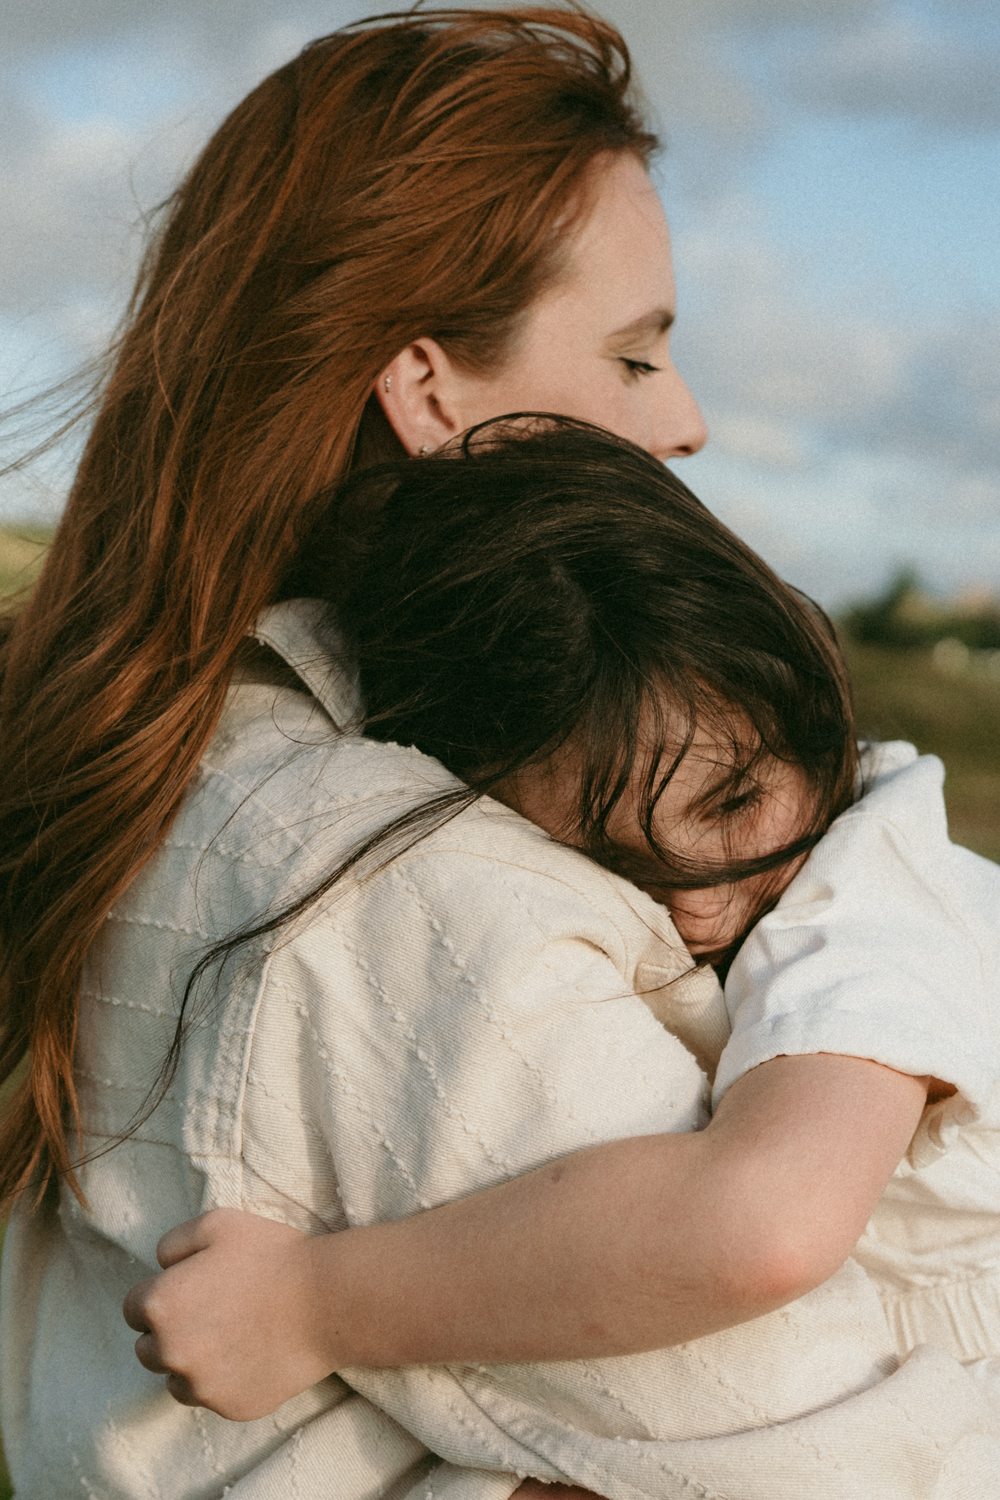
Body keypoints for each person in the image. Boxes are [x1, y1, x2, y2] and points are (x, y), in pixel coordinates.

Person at [0, 7, 993, 1496]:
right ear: (430, 394)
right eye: (636, 352)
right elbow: (851, 1447)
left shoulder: (152, 767)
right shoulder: (403, 886)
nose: (694, 420)